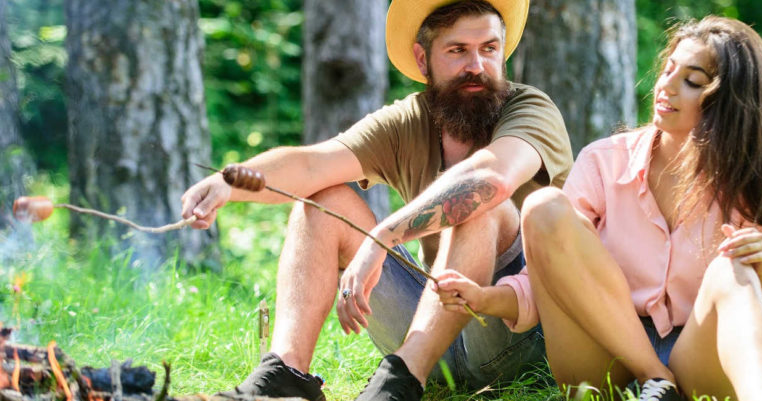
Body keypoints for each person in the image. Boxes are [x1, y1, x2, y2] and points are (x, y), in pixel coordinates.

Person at [180, 1, 572, 400]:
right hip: (437, 328)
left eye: (489, 49)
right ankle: (286, 375)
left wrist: (382, 236)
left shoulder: (530, 108)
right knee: (321, 201)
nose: (477, 65)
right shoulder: (409, 122)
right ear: (423, 59)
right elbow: (314, 165)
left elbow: (491, 179)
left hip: (521, 331)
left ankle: (400, 382)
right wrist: (229, 182)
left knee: (479, 203)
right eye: (458, 51)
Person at [433, 16, 762, 401]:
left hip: (696, 362)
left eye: (692, 81)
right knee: (544, 206)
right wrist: (484, 299)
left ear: (727, 104)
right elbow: (545, 279)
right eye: (668, 70)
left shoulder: (747, 188)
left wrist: (761, 274)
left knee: (736, 267)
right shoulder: (605, 161)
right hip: (603, 362)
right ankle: (655, 378)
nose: (666, 87)